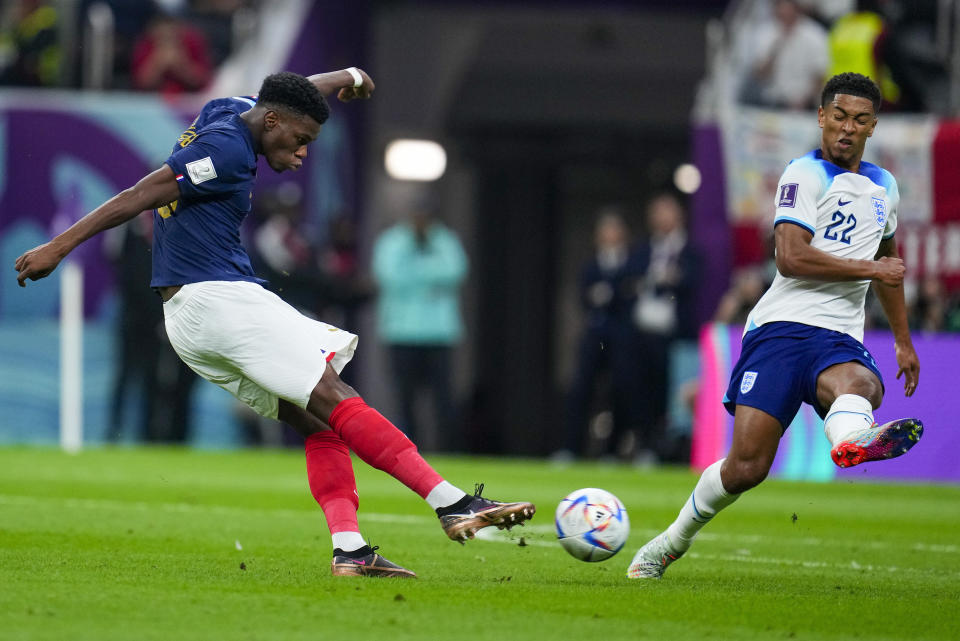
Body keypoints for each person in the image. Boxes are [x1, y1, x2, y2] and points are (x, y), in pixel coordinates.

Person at [14, 68, 535, 578]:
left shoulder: (234, 110)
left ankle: (350, 550)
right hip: (217, 297)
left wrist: (347, 76)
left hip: (190, 316)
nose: (302, 152)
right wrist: (58, 248)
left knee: (315, 417)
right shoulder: (227, 151)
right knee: (332, 392)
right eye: (300, 140)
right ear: (272, 122)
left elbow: (292, 89)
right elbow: (140, 194)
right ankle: (451, 502)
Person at [627, 72, 923, 580]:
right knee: (747, 467)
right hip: (780, 330)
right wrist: (872, 269)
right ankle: (670, 542)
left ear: (873, 126)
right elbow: (790, 257)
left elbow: (888, 262)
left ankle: (850, 441)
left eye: (859, 119)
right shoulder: (804, 175)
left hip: (839, 337)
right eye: (839, 117)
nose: (847, 129)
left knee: (863, 384)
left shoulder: (884, 187)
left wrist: (902, 339)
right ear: (821, 117)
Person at [371, 200, 468, 451]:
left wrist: (415, 273)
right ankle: (409, 452)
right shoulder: (392, 241)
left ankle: (450, 450)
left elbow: (457, 272)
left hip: (439, 333)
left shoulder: (445, 240)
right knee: (405, 398)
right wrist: (431, 274)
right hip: (401, 332)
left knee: (443, 398)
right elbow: (390, 277)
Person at [557, 208, 643, 461]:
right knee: (581, 389)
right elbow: (585, 298)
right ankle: (571, 448)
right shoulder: (591, 265)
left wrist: (609, 295)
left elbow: (627, 297)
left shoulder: (631, 264)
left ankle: (613, 450)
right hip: (595, 336)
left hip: (621, 338)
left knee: (621, 391)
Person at [632, 193, 701, 463]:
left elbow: (693, 281)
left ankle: (673, 451)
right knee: (642, 391)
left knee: (674, 394)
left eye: (665, 211)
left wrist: (674, 280)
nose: (659, 218)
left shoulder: (691, 250)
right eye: (655, 212)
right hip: (642, 334)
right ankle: (645, 446)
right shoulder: (642, 250)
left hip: (676, 337)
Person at [740, 0, 828, 110]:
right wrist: (777, 46)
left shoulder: (815, 34)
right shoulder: (764, 33)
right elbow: (760, 74)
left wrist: (805, 101)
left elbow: (819, 74)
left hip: (804, 103)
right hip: (771, 102)